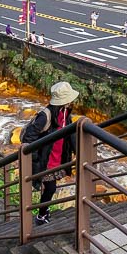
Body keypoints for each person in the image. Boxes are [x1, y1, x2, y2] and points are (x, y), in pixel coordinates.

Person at [20, 81, 79, 225]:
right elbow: (28, 138)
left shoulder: (65, 114)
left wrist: (78, 152)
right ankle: (41, 215)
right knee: (51, 188)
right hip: (45, 161)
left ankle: (43, 211)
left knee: (50, 188)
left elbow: (70, 135)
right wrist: (35, 161)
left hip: (57, 159)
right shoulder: (45, 116)